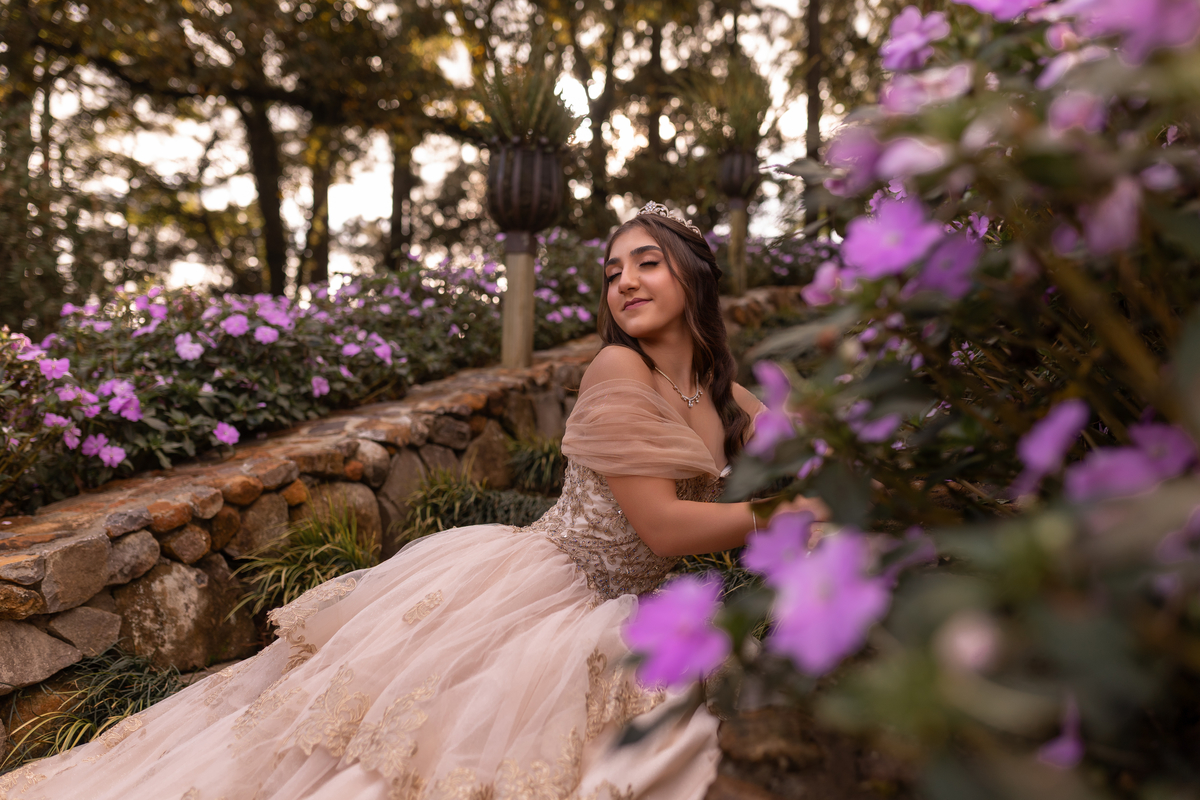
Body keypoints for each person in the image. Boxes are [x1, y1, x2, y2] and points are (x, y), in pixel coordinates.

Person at [0, 203, 824, 800]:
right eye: (612, 271)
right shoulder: (619, 372)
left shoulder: (720, 391)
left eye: (647, 261)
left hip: (623, 601)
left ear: (695, 271)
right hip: (548, 589)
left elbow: (809, 449)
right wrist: (778, 520)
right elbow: (663, 524)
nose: (625, 281)